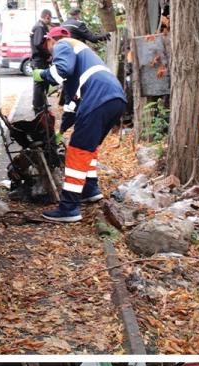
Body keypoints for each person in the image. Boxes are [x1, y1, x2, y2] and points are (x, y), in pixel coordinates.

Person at [33, 25, 128, 222]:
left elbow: (60, 71)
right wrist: (61, 130)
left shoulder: (63, 44)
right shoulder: (81, 57)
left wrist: (41, 75)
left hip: (98, 98)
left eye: (47, 46)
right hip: (114, 98)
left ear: (51, 40)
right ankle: (90, 189)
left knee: (77, 150)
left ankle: (69, 208)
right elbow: (71, 104)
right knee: (88, 147)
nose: (49, 53)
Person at [30, 10, 54, 114]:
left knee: (43, 83)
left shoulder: (41, 26)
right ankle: (38, 107)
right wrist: (48, 55)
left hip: (41, 59)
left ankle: (42, 103)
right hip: (39, 60)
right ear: (47, 16)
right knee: (39, 83)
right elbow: (38, 44)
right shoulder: (39, 27)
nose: (50, 20)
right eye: (50, 18)